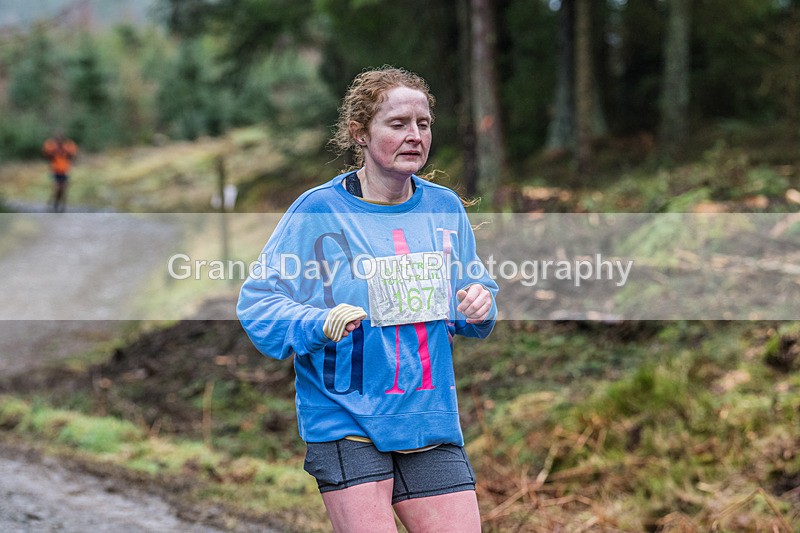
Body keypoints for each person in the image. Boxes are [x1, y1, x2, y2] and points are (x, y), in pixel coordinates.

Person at [237, 66, 498, 532]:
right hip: (344, 415)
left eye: (423, 123)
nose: (414, 135)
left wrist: (479, 305)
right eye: (397, 124)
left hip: (426, 416)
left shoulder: (444, 208)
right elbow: (259, 301)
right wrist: (318, 323)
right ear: (360, 133)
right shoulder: (318, 211)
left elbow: (471, 294)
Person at [42, 133, 78, 212]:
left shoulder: (68, 147)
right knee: (57, 188)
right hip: (55, 170)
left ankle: (62, 206)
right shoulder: (52, 147)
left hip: (65, 170)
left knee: (64, 189)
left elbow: (73, 155)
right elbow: (46, 154)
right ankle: (54, 204)